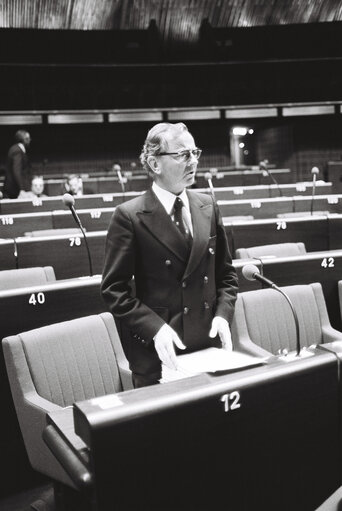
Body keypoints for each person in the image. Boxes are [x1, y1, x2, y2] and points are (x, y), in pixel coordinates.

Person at [101, 122, 238, 388]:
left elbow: (226, 274)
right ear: (154, 163)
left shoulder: (208, 205)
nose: (193, 161)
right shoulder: (129, 216)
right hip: (159, 354)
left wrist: (223, 314)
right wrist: (155, 328)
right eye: (182, 155)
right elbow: (113, 290)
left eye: (195, 153)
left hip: (207, 346)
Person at [3, 130, 32, 199]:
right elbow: (17, 170)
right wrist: (22, 189)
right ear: (23, 139)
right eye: (28, 138)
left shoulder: (16, 149)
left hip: (14, 188)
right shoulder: (17, 150)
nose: (30, 140)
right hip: (14, 189)